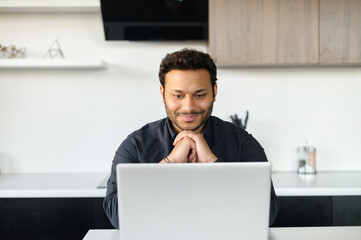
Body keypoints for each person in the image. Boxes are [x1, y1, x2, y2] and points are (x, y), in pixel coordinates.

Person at [103, 49, 280, 229]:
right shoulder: (135, 145)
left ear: (214, 91)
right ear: (162, 92)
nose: (188, 107)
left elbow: (267, 214)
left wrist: (213, 163)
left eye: (200, 95)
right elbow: (117, 216)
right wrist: (169, 163)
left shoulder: (243, 143)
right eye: (178, 96)